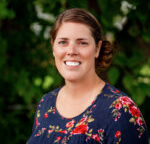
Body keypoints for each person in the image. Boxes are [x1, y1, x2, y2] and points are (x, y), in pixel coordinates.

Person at [27, 8, 148, 144]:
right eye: (63, 42)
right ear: (53, 46)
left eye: (82, 43)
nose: (71, 51)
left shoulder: (120, 110)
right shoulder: (46, 103)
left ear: (97, 48)